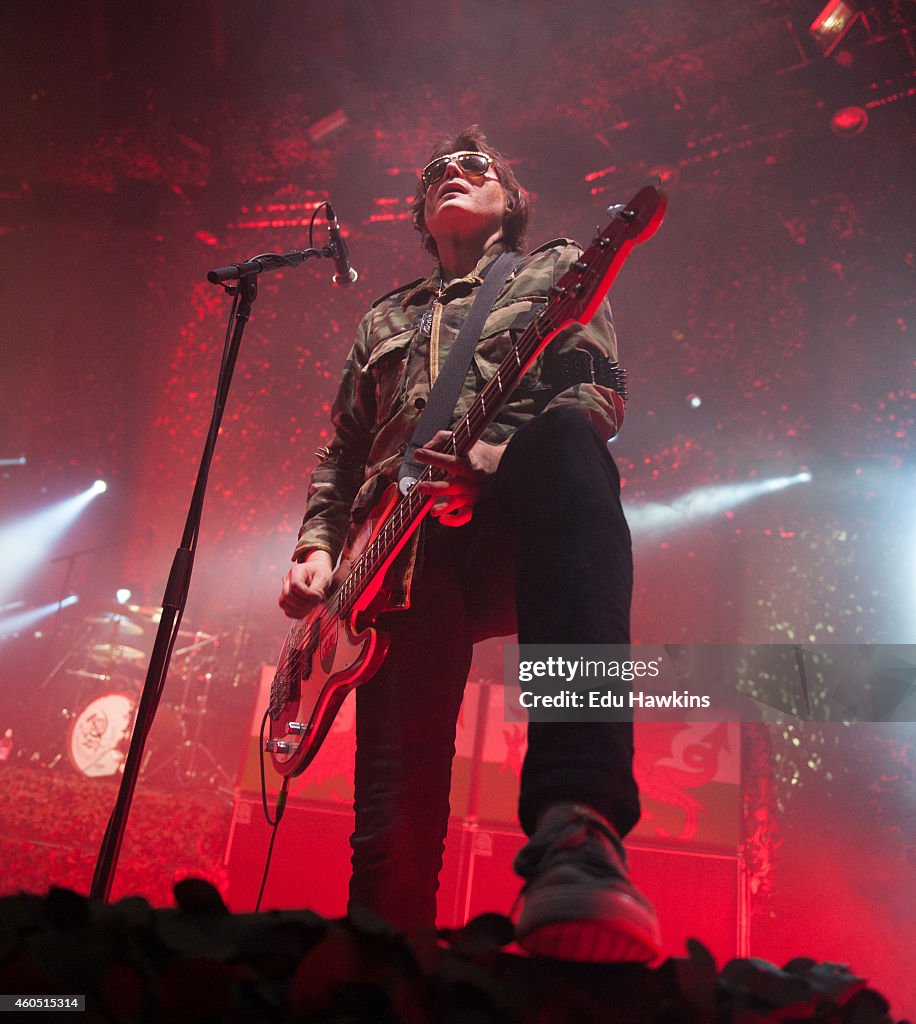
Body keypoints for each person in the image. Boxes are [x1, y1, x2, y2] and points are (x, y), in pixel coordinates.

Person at [279, 127, 660, 962]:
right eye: (435, 174)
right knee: (392, 822)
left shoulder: (555, 270)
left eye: (473, 167)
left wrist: (489, 458)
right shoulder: (386, 315)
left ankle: (578, 824)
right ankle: (383, 968)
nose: (450, 174)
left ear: (512, 200)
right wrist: (318, 546)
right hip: (393, 561)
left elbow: (594, 391)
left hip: (512, 509)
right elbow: (341, 451)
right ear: (421, 212)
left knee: (567, 444)